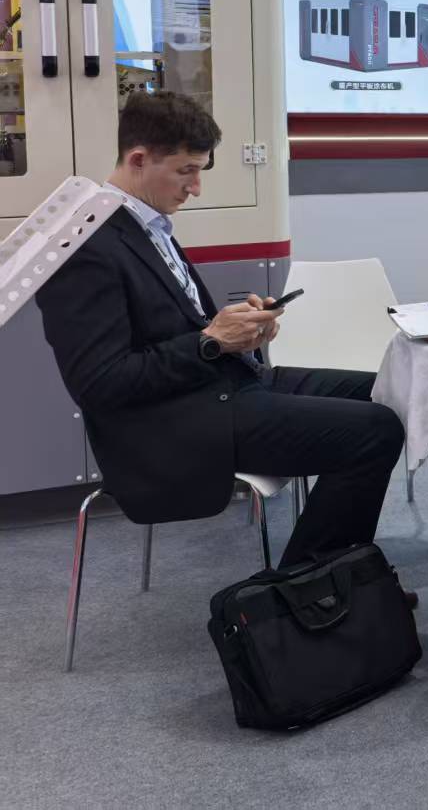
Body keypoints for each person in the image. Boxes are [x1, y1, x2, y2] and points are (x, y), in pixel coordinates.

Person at [36, 92, 404, 569]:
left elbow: (181, 331)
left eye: (201, 170)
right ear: (139, 159)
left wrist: (240, 336)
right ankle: (310, 588)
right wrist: (211, 342)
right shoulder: (87, 246)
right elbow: (100, 384)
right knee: (375, 431)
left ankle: (335, 576)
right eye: (186, 171)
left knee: (385, 390)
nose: (196, 188)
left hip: (223, 386)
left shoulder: (146, 225)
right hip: (173, 422)